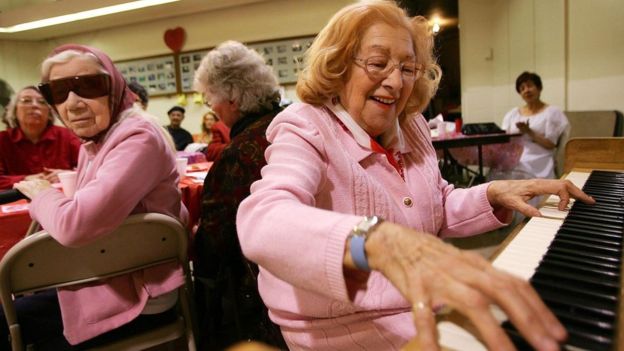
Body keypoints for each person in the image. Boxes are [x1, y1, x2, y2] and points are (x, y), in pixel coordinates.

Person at [235, 2, 594, 351]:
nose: (394, 82)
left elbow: (433, 205)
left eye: (408, 68)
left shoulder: (411, 125)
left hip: (421, 302)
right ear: (339, 65)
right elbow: (264, 219)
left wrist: (493, 193)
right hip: (346, 327)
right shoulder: (306, 125)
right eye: (377, 64)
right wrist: (373, 240)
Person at [5, 44, 188, 349]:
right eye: (58, 92)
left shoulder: (137, 136)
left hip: (140, 297)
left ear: (114, 87)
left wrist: (41, 193)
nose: (73, 104)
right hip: (103, 276)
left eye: (88, 86)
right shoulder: (95, 140)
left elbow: (73, 225)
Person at [192, 40, 285, 349]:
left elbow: (215, 243)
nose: (213, 111)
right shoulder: (294, 123)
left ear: (231, 97)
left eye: (210, 101)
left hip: (265, 295)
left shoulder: (239, 153)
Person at [0, 86, 81, 190]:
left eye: (42, 102)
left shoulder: (68, 136)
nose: (34, 105)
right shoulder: (2, 140)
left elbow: (91, 169)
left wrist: (67, 175)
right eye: (26, 100)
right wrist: (25, 179)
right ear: (15, 110)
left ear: (50, 113)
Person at [502, 71, 569, 179]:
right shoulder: (513, 114)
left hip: (539, 157)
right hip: (515, 156)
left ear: (539, 88)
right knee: (497, 170)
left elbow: (551, 144)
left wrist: (529, 131)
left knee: (519, 168)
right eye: (522, 88)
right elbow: (504, 139)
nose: (526, 90)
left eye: (529, 86)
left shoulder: (552, 112)